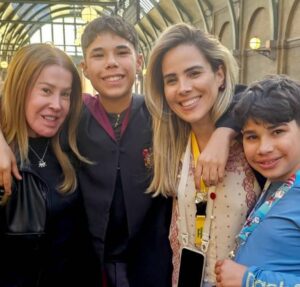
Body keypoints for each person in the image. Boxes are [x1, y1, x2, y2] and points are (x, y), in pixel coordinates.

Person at [0, 16, 241, 287]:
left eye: (122, 52)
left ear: (139, 62)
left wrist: (225, 131)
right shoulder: (71, 118)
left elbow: (244, 97)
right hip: (87, 267)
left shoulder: (164, 116)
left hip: (152, 268)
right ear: (85, 69)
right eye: (99, 55)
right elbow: (15, 99)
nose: (111, 62)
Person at [144, 23, 261, 287]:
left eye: (194, 73)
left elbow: (273, 94)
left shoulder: (253, 139)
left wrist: (225, 133)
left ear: (219, 75)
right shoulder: (171, 144)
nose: (183, 88)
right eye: (171, 80)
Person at [0, 43, 98, 286]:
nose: (57, 104)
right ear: (19, 89)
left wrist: (212, 133)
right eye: (46, 90)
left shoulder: (72, 141)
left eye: (65, 94)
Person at [215, 74, 300, 287]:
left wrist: (248, 279)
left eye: (277, 132)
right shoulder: (276, 181)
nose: (264, 149)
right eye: (252, 136)